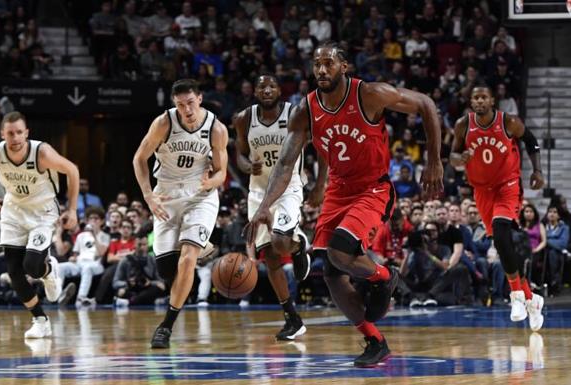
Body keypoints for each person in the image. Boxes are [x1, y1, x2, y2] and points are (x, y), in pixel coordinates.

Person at [246, 41, 443, 367]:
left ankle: (383, 276)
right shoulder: (306, 109)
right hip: (338, 191)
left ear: (344, 67)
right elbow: (284, 164)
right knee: (332, 275)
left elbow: (425, 103)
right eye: (317, 64)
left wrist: (434, 160)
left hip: (373, 188)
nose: (322, 70)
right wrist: (266, 205)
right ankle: (374, 340)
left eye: (329, 64)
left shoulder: (369, 94)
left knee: (340, 250)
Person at [0, 111, 79, 338]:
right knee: (14, 272)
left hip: (42, 213)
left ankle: (48, 270)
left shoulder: (41, 152)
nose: (15, 138)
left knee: (32, 266)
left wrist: (72, 210)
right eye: (10, 133)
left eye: (19, 133)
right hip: (14, 213)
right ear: (2, 134)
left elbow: (72, 170)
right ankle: (40, 320)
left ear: (26, 133)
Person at [133, 79, 228, 349]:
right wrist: (148, 195)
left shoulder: (216, 129)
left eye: (190, 103)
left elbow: (221, 171)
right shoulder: (164, 123)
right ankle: (205, 245)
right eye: (180, 104)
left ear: (199, 99)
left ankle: (166, 326)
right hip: (166, 194)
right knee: (166, 271)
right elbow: (139, 159)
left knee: (187, 259)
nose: (186, 109)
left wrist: (212, 182)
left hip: (200, 196)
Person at [450, 84, 545, 331]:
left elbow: (532, 141)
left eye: (483, 97)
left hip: (508, 185)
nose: (479, 101)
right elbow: (452, 155)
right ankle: (531, 299)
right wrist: (458, 160)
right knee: (501, 245)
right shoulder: (463, 124)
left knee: (502, 233)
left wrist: (537, 170)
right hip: (482, 190)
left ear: (492, 101)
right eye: (475, 98)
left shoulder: (509, 122)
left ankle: (516, 296)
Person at [232, 74, 310, 341]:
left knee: (281, 242)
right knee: (271, 258)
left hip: (289, 187)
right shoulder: (243, 118)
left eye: (272, 86)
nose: (267, 90)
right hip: (258, 191)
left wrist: (320, 184)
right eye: (262, 86)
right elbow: (240, 153)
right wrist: (245, 165)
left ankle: (299, 247)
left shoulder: (296, 114)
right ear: (255, 92)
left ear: (280, 90)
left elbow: (318, 147)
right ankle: (292, 317)